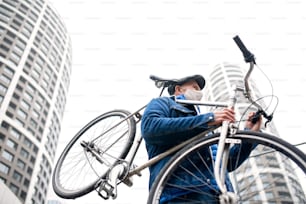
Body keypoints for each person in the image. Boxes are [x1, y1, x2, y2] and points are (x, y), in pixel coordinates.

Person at [140, 74, 262, 203]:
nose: (199, 93)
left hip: (218, 197)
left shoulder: (206, 133)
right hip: (181, 195)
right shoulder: (164, 103)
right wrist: (208, 119)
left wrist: (250, 133)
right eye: (195, 87)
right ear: (178, 89)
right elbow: (150, 128)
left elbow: (228, 163)